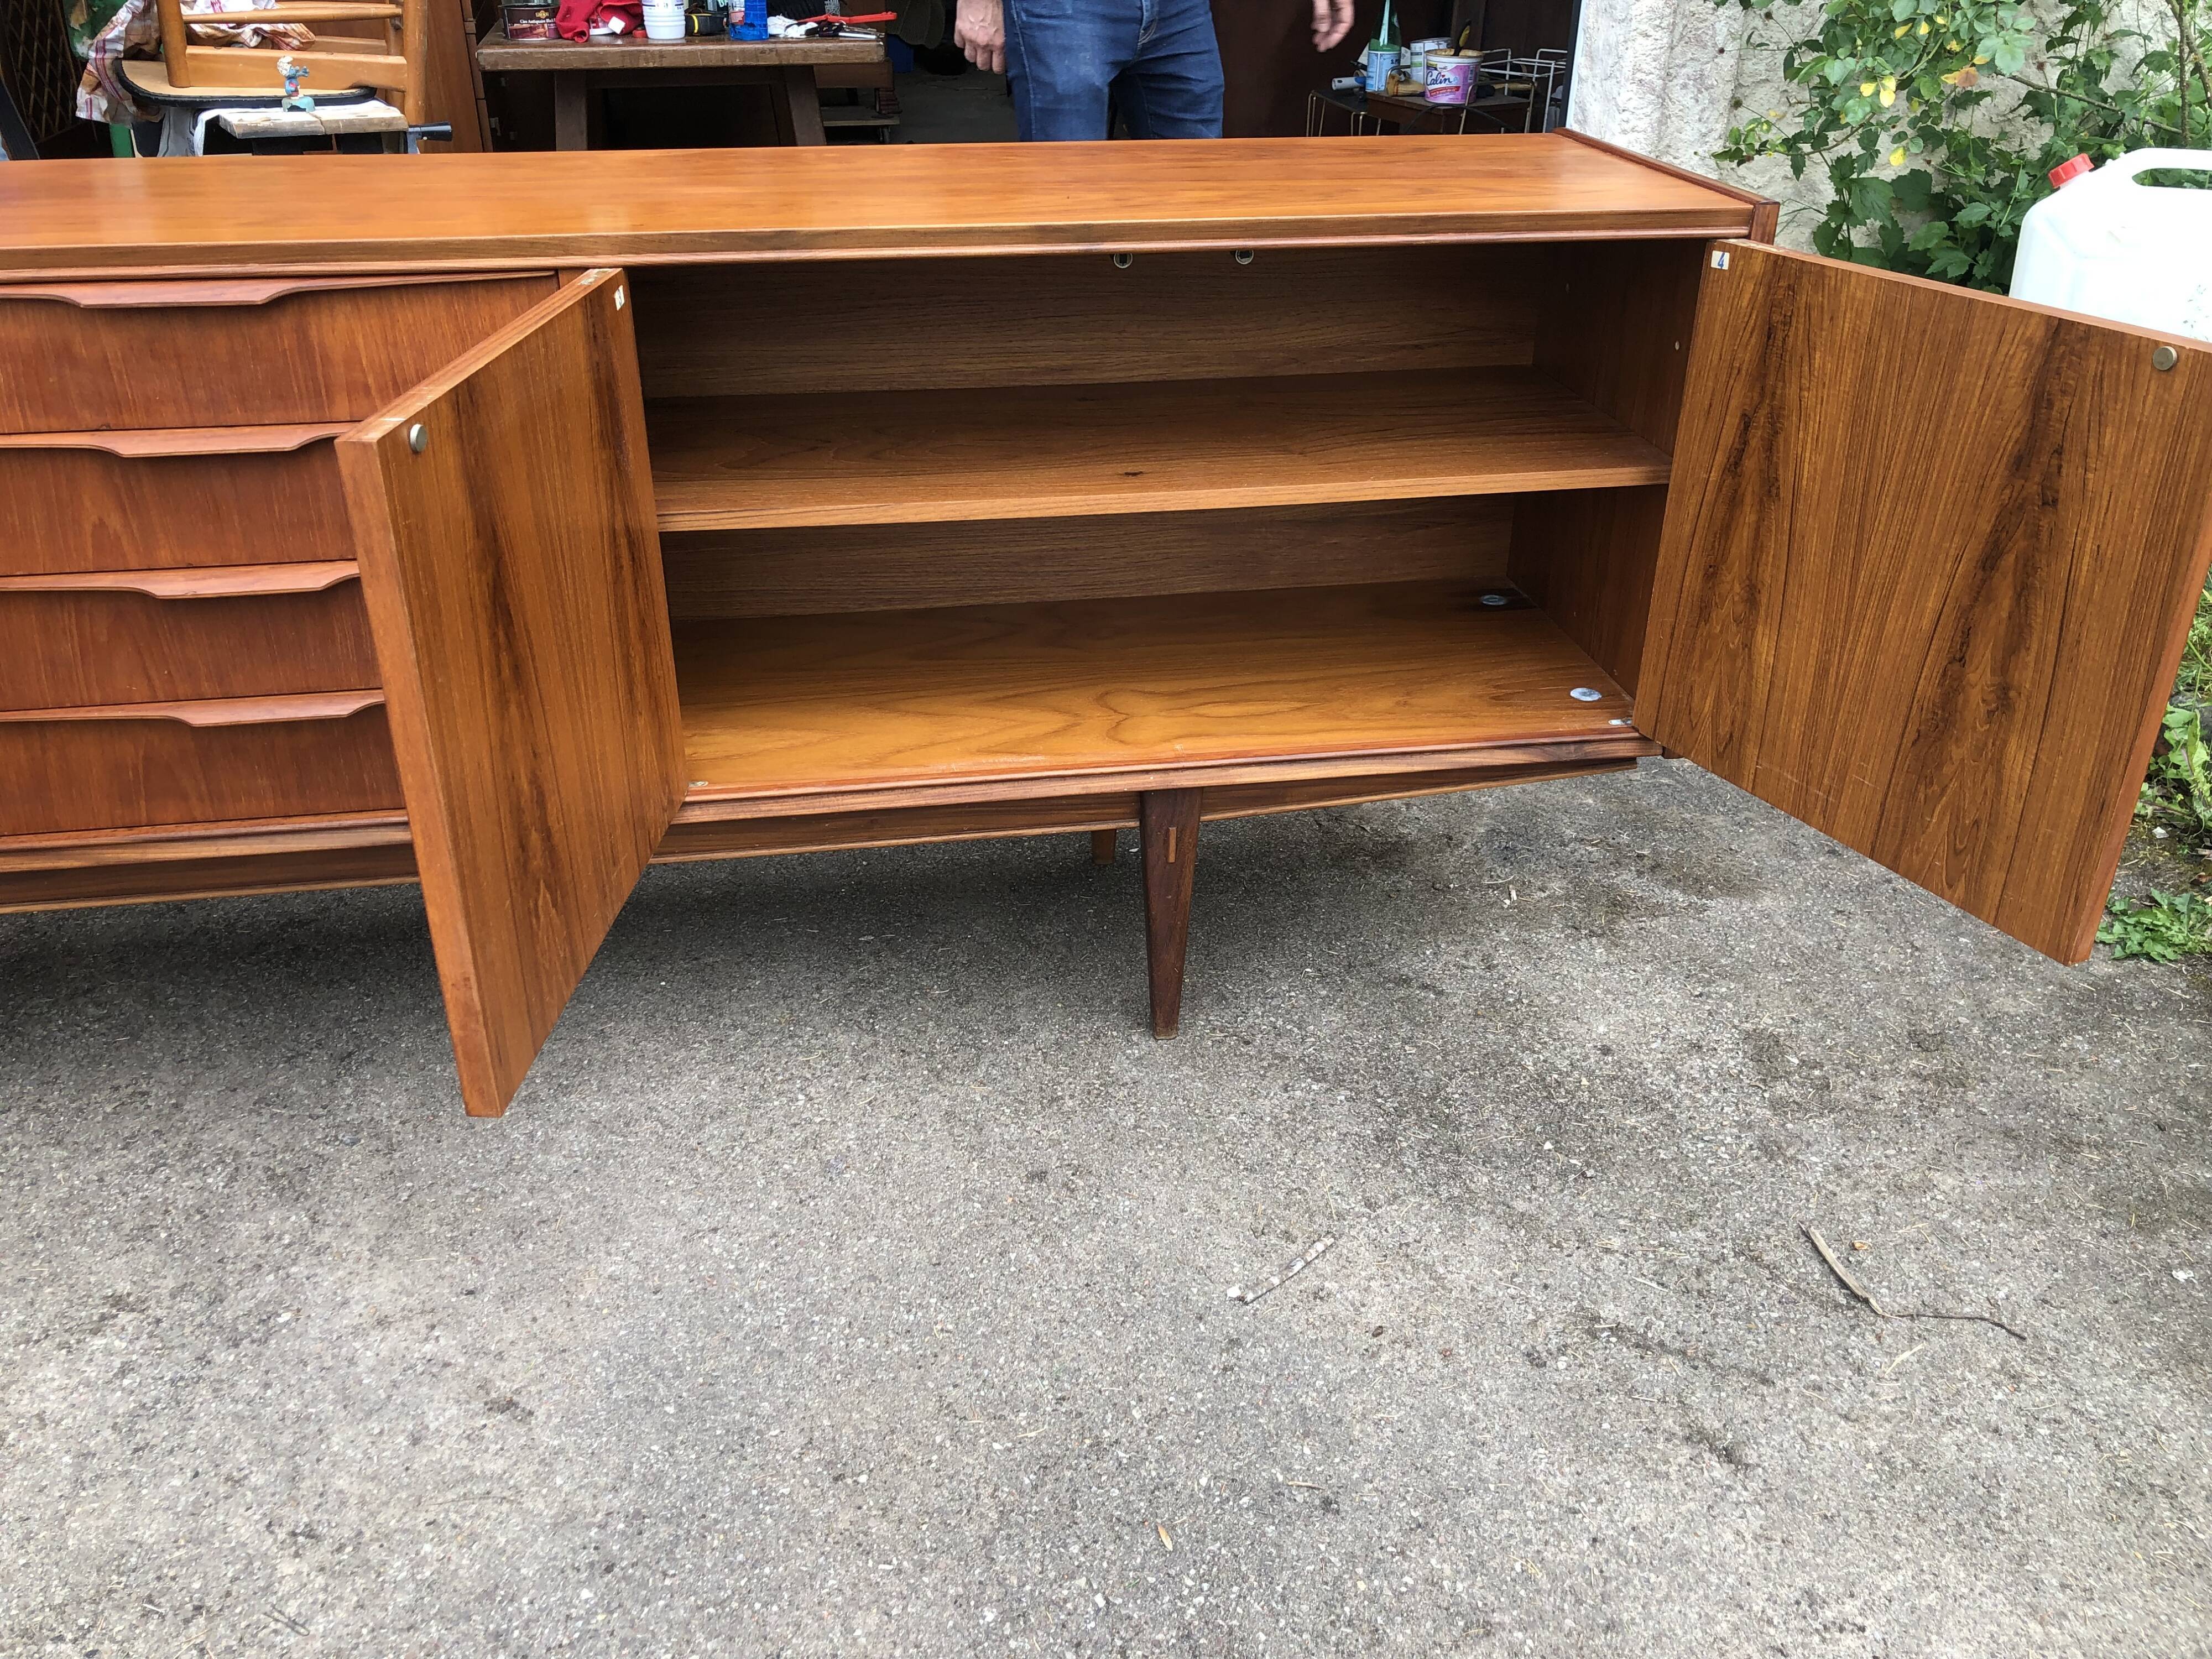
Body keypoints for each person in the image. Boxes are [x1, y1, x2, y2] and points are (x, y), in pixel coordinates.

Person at [953, 0, 1350, 140]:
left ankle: (1175, 327)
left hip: (1180, 10)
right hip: (1062, 8)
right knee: (1067, 199)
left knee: (1194, 198)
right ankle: (1073, 327)